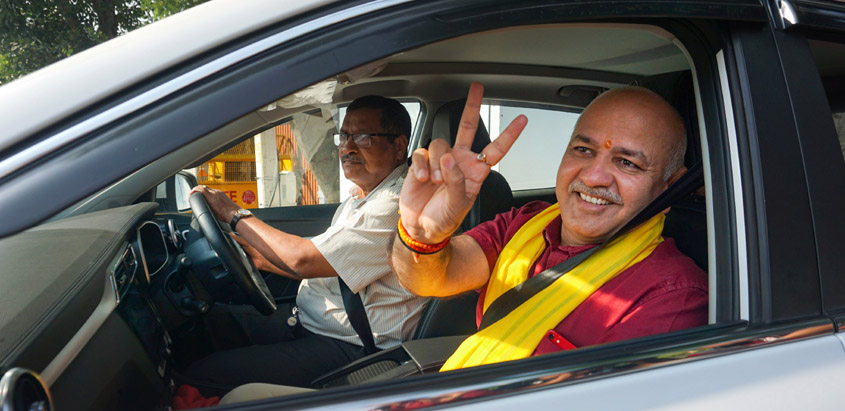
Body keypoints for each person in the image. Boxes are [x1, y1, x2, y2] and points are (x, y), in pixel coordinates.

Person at [392, 82, 708, 371]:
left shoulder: (670, 299)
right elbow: (433, 279)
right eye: (583, 150)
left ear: (670, 188)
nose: (593, 176)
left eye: (628, 162)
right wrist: (420, 237)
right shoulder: (526, 222)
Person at [185, 95, 429, 393]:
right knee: (206, 327)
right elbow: (330, 263)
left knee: (202, 375)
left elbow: (304, 260)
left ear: (399, 146)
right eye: (344, 136)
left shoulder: (395, 204)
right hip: (315, 325)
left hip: (350, 350)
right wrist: (261, 260)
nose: (348, 148)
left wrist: (233, 213)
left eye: (363, 137)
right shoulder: (364, 195)